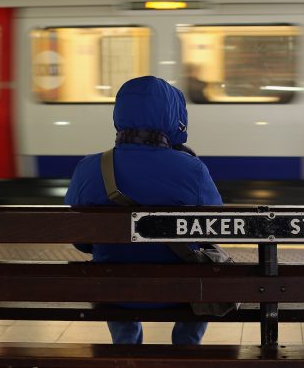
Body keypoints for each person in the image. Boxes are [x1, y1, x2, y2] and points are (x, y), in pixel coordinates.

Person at [65, 76, 222, 345]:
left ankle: (126, 344)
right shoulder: (192, 169)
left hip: (114, 290)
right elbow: (215, 229)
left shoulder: (89, 168)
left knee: (110, 267)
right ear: (173, 116)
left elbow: (82, 241)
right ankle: (187, 345)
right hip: (180, 291)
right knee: (206, 271)